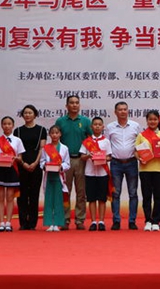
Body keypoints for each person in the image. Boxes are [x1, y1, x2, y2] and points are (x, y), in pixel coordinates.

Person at [56, 95, 92, 230]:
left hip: (81, 160)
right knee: (65, 191)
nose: (74, 105)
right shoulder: (60, 121)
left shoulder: (85, 121)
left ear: (79, 105)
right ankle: (64, 219)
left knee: (81, 192)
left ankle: (79, 219)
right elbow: (56, 140)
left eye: (77, 103)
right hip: (65, 161)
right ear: (66, 106)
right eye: (71, 103)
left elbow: (91, 139)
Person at [105, 101, 142, 230]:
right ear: (115, 112)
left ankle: (132, 221)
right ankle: (116, 220)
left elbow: (140, 143)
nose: (123, 111)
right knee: (115, 193)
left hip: (132, 162)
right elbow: (106, 145)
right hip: (116, 163)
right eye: (120, 109)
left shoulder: (135, 126)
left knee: (133, 193)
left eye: (125, 109)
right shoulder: (110, 127)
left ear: (128, 111)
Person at [135, 110, 160, 232]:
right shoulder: (141, 135)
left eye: (155, 119)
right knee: (146, 196)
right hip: (145, 169)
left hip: (159, 169)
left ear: (158, 121)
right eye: (150, 119)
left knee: (158, 196)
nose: (152, 121)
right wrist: (139, 158)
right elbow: (136, 151)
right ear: (147, 120)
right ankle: (148, 220)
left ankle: (156, 221)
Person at [13, 104, 47, 231]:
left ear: (35, 115)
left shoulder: (41, 130)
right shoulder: (18, 131)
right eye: (25, 113)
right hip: (21, 165)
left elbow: (42, 148)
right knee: (22, 194)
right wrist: (23, 163)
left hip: (36, 165)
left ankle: (32, 223)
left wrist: (35, 163)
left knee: (34, 194)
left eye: (30, 113)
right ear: (22, 115)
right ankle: (23, 222)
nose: (27, 115)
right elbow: (16, 149)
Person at [0, 116, 25, 232]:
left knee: (10, 197)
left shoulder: (17, 140)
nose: (7, 126)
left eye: (9, 124)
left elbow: (20, 158)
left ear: (13, 125)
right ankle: (1, 222)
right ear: (1, 126)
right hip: (0, 169)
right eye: (4, 124)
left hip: (12, 169)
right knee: (0, 197)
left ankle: (8, 222)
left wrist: (15, 158)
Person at [79, 117, 112, 231]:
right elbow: (82, 156)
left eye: (99, 124)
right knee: (91, 198)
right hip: (90, 172)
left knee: (102, 198)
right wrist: (89, 156)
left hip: (102, 173)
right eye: (95, 124)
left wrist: (103, 158)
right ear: (91, 127)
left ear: (103, 127)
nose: (97, 126)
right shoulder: (87, 141)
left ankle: (101, 221)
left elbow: (109, 156)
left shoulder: (106, 141)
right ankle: (93, 221)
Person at [39, 125, 71, 232]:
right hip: (48, 176)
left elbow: (67, 163)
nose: (54, 135)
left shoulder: (64, 148)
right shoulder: (46, 148)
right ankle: (49, 223)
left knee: (58, 200)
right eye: (52, 133)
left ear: (60, 134)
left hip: (59, 177)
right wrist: (44, 166)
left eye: (57, 133)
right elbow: (42, 161)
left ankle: (57, 223)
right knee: (49, 200)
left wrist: (61, 167)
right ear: (49, 134)